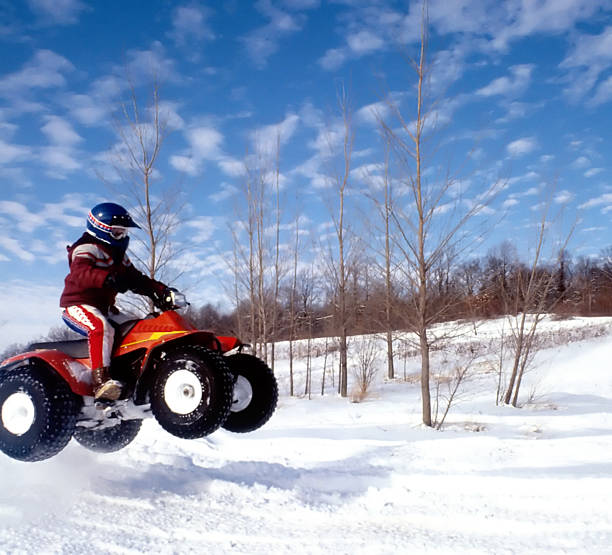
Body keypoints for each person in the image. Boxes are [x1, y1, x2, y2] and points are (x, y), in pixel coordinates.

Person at [60, 202, 170, 401]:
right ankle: (101, 382)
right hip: (78, 305)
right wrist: (107, 278)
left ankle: (132, 375)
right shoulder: (86, 248)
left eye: (123, 232)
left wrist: (161, 291)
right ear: (101, 229)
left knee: (137, 327)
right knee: (101, 328)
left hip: (105, 308)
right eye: (117, 232)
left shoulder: (119, 257)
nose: (122, 236)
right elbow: (81, 273)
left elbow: (136, 279)